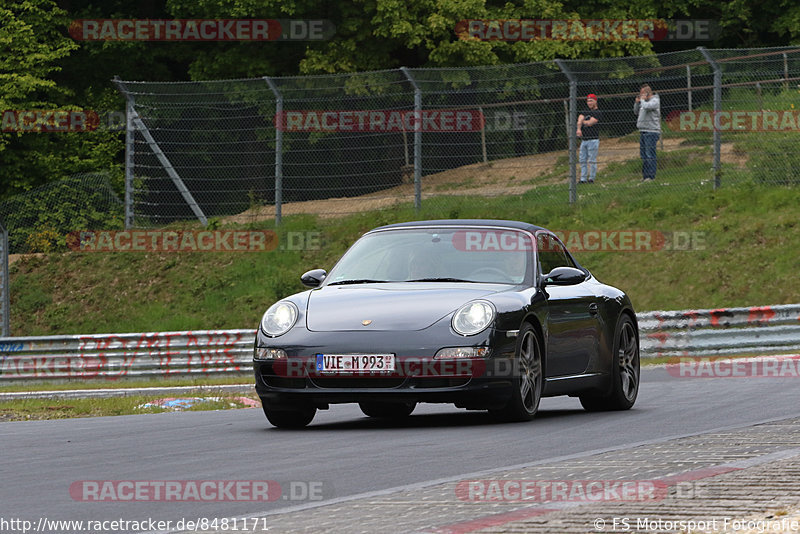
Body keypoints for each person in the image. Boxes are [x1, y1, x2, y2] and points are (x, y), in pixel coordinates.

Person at [634, 84, 661, 181]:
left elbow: (646, 107)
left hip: (651, 131)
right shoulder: (643, 102)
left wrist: (642, 100)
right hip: (643, 130)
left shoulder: (655, 101)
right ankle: (645, 176)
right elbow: (636, 112)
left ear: (647, 93)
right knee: (644, 155)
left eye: (641, 94)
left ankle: (651, 176)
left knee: (650, 154)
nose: (640, 96)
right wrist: (637, 103)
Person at [577, 93, 602, 183]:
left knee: (592, 160)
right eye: (588, 101)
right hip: (584, 140)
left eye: (591, 100)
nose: (589, 103)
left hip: (593, 140)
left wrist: (582, 121)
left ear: (595, 101)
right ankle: (583, 178)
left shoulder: (597, 112)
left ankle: (591, 178)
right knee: (582, 160)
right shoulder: (585, 111)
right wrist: (579, 128)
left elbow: (590, 123)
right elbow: (579, 119)